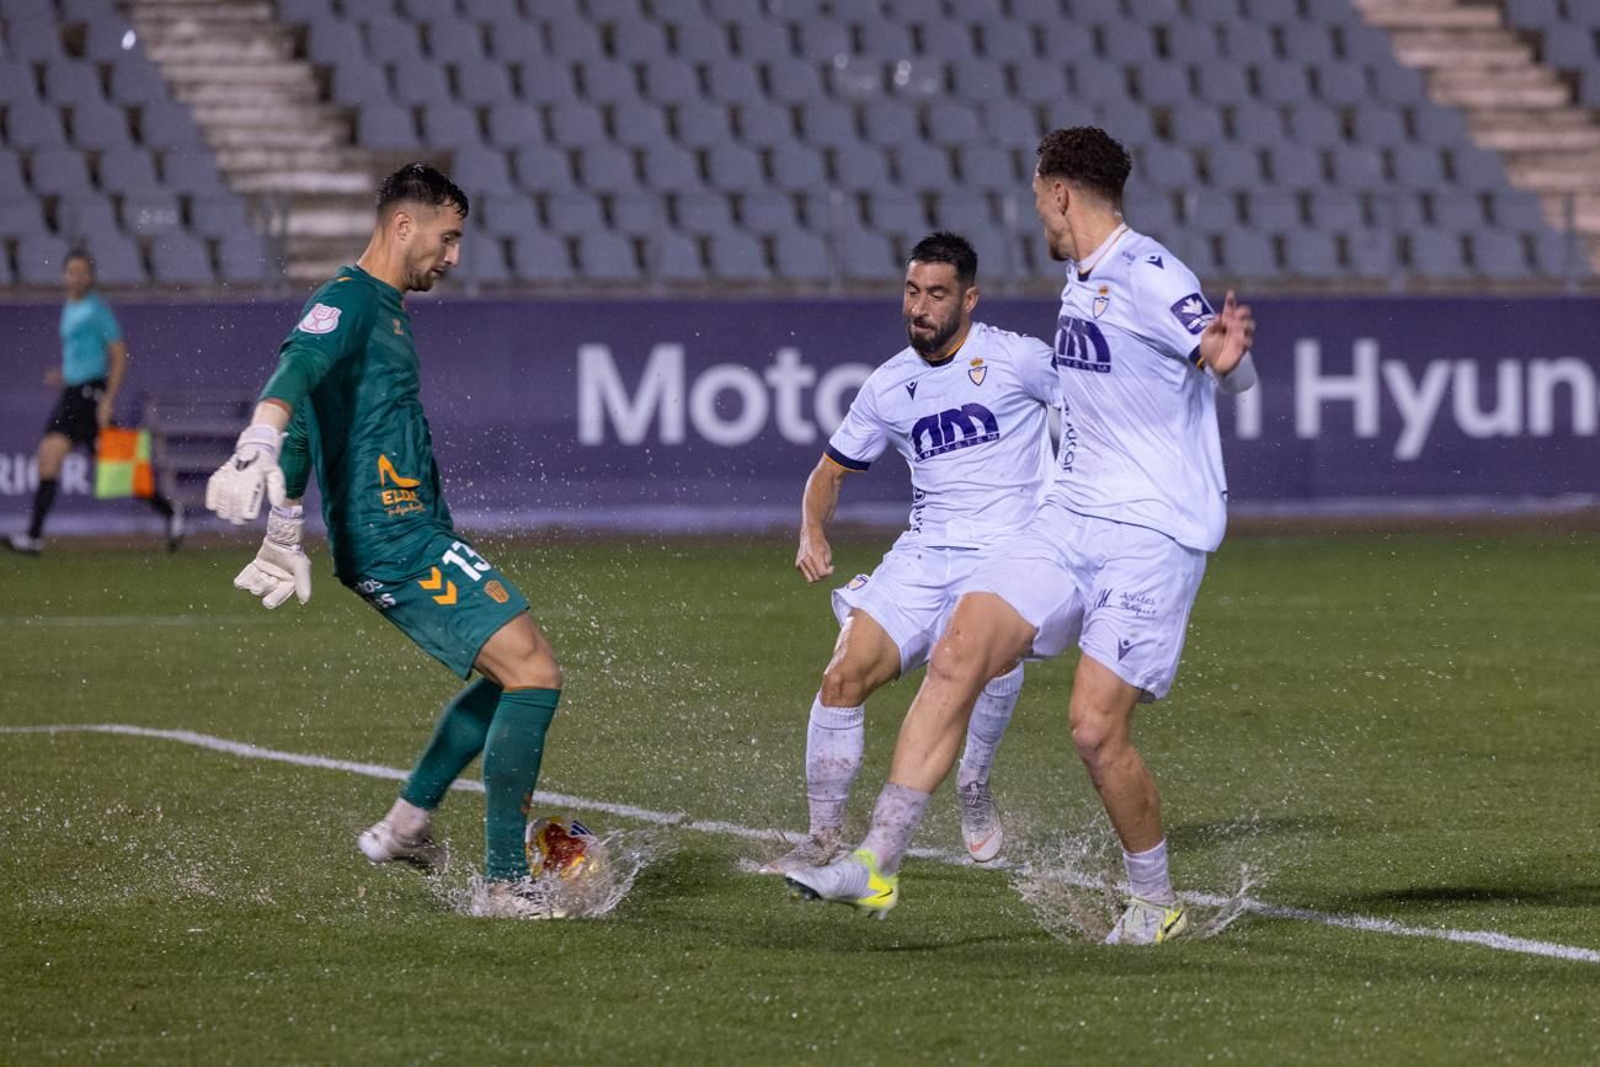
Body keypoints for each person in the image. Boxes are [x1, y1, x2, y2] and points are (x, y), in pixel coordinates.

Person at [786, 127, 1258, 944]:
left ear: (1060, 192)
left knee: (1093, 727)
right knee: (965, 637)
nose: (1033, 206)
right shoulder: (1082, 281)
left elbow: (1224, 359)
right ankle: (876, 863)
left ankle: (1156, 900)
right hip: (1070, 517)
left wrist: (1226, 359)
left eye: (1037, 191)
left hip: (1151, 534)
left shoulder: (1149, 273)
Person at [204, 163, 563, 917]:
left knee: (511, 674)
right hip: (393, 536)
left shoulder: (385, 308)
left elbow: (312, 420)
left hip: (411, 528)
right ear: (405, 226)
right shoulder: (348, 301)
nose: (455, 256)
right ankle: (503, 881)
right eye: (449, 237)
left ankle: (406, 824)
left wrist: (283, 528)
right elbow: (295, 375)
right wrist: (256, 438)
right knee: (533, 671)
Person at [764, 232, 1059, 874]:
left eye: (936, 293)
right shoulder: (888, 386)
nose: (918, 307)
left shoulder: (1018, 360)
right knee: (842, 677)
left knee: (991, 663)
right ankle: (823, 838)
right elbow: (828, 472)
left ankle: (973, 786)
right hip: (925, 555)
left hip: (1007, 556)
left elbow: (1095, 403)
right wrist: (811, 528)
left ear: (970, 299)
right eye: (911, 291)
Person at [6, 251, 184, 554]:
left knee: (107, 466)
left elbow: (118, 356)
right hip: (73, 392)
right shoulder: (70, 307)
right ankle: (34, 537)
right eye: (71, 272)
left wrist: (107, 400)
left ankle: (171, 512)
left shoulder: (96, 310)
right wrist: (65, 375)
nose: (76, 277)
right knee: (55, 459)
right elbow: (83, 354)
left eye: (82, 272)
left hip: (89, 396)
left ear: (91, 276)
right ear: (64, 275)